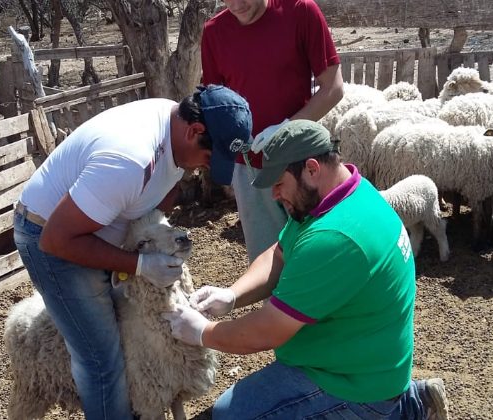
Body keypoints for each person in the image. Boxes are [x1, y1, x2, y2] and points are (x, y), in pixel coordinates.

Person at [163, 120, 449, 419]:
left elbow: (266, 331)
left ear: (312, 169)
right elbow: (280, 253)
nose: (274, 194)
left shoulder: (336, 237)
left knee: (229, 415)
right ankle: (409, 404)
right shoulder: (348, 194)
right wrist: (232, 295)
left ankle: (395, 411)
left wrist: (203, 333)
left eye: (279, 183)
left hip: (353, 386)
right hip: (360, 360)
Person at [12, 85, 252, 420]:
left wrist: (158, 242)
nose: (204, 169)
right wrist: (139, 263)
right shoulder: (129, 160)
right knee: (100, 358)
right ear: (195, 131)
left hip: (98, 224)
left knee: (131, 331)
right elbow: (57, 239)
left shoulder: (173, 125)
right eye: (210, 158)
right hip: (50, 233)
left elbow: (158, 196)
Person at [201, 0, 345, 262]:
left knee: (319, 251)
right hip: (250, 168)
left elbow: (333, 88)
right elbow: (216, 101)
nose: (234, 4)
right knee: (267, 258)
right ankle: (276, 304)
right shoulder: (214, 32)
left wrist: (286, 129)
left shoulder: (301, 11)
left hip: (303, 163)